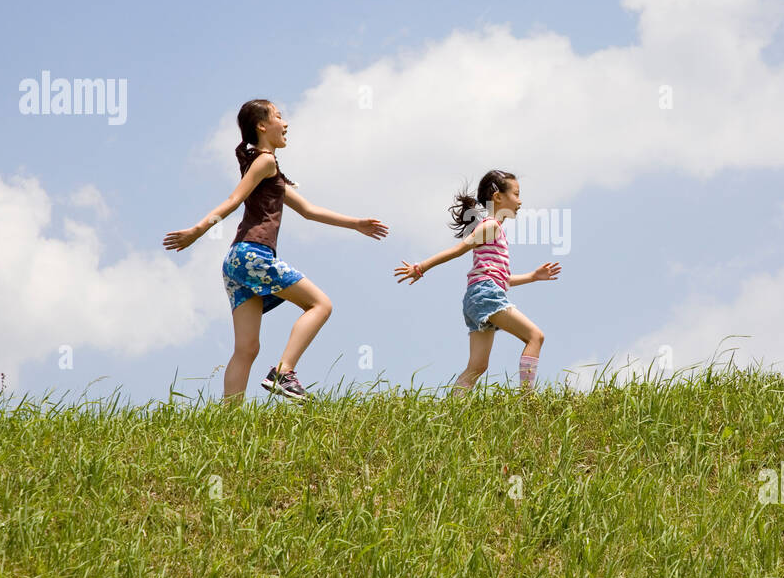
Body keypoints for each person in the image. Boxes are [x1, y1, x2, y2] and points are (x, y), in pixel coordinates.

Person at [164, 99, 388, 402]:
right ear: (262, 126)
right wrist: (198, 230)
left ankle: (227, 420)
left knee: (247, 348)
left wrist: (356, 223)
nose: (285, 123)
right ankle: (284, 372)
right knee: (321, 305)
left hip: (235, 262)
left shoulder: (271, 171)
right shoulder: (265, 161)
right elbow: (233, 199)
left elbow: (309, 211)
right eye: (279, 116)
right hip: (254, 255)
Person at [395, 170, 560, 395]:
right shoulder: (490, 226)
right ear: (498, 197)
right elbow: (459, 249)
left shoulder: (495, 230)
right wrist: (421, 267)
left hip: (479, 297)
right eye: (517, 194)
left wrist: (533, 276)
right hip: (485, 294)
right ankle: (527, 399)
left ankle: (452, 410)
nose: (520, 201)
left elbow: (500, 278)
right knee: (535, 336)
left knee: (477, 366)